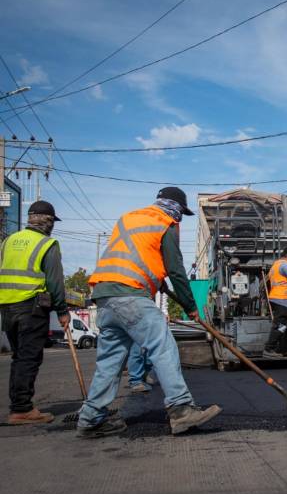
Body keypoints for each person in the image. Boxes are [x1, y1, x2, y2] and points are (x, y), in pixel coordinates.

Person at [79, 187, 221, 438]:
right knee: (163, 346)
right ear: (175, 207)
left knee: (110, 361)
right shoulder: (165, 222)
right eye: (181, 213)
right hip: (130, 295)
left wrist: (156, 280)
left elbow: (135, 254)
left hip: (104, 295)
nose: (180, 218)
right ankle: (181, 408)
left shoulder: (129, 218)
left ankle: (91, 418)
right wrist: (190, 306)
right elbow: (176, 269)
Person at [0, 201, 69, 425]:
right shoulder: (47, 244)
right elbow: (55, 282)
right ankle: (22, 409)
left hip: (7, 306)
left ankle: (19, 405)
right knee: (29, 358)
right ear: (48, 222)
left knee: (19, 357)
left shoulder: (8, 241)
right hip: (32, 307)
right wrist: (62, 311)